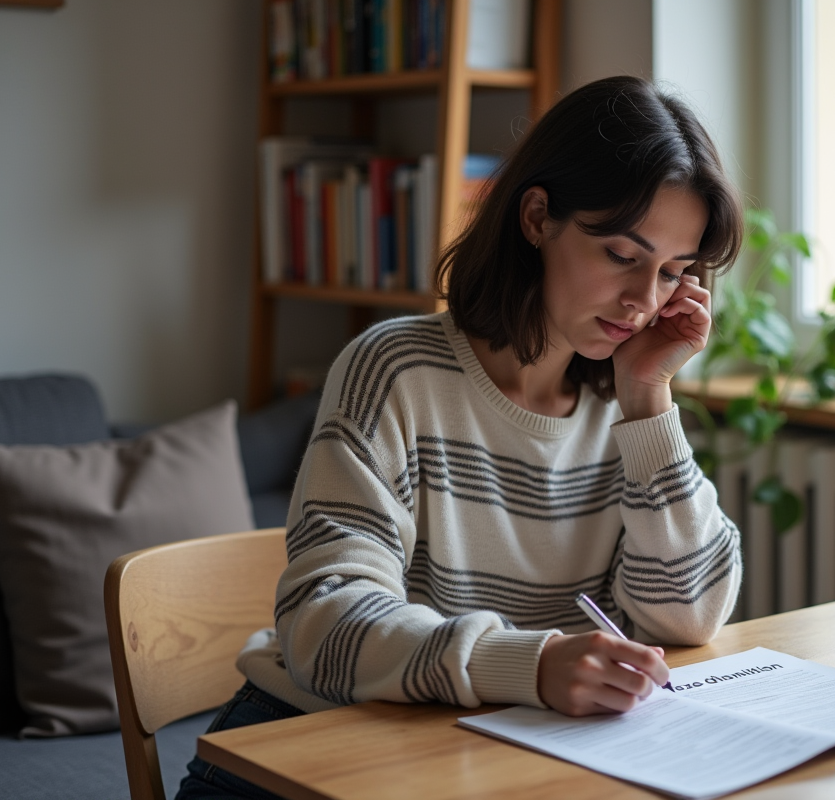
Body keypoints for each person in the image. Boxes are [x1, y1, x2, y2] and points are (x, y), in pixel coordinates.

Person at [176, 74, 743, 800]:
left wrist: (648, 400)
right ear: (537, 217)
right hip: (304, 742)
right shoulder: (395, 370)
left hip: (476, 751)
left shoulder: (628, 407)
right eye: (622, 255)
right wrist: (528, 665)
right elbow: (324, 626)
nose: (644, 301)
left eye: (673, 273)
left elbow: (689, 617)